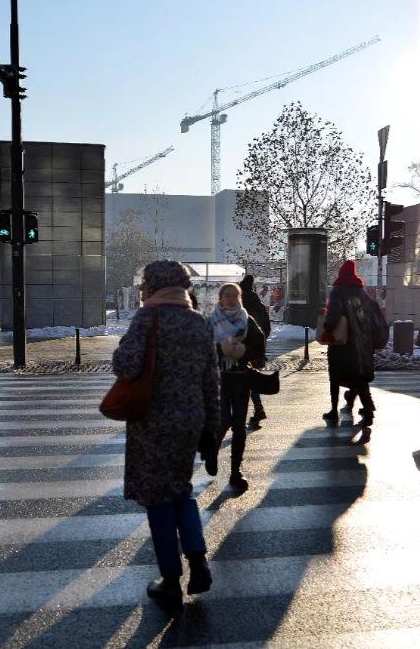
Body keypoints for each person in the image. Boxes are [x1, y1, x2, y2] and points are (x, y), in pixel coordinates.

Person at [112, 260, 220, 607]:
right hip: (190, 420)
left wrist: (124, 345)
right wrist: (212, 430)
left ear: (156, 286)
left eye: (146, 283)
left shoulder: (148, 318)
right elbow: (211, 381)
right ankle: (198, 561)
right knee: (181, 489)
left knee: (158, 498)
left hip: (152, 421)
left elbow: (125, 365)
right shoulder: (199, 322)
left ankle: (171, 578)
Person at [209, 282, 266, 490]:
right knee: (223, 422)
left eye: (234, 295)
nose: (231, 299)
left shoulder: (247, 320)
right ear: (221, 298)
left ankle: (235, 472)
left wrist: (243, 350)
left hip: (241, 379)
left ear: (239, 297)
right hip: (220, 379)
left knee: (239, 427)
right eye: (227, 295)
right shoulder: (213, 321)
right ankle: (212, 454)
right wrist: (221, 350)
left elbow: (259, 347)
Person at [321, 260, 377, 443]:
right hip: (361, 342)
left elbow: (333, 315)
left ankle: (333, 411)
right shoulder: (362, 292)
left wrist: (328, 327)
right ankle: (368, 410)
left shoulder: (338, 290)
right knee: (359, 377)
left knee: (335, 377)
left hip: (342, 343)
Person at [240, 274, 272, 430]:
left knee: (239, 378)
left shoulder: (239, 302)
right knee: (249, 378)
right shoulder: (258, 303)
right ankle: (257, 408)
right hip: (255, 347)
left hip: (241, 347)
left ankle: (240, 413)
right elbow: (266, 327)